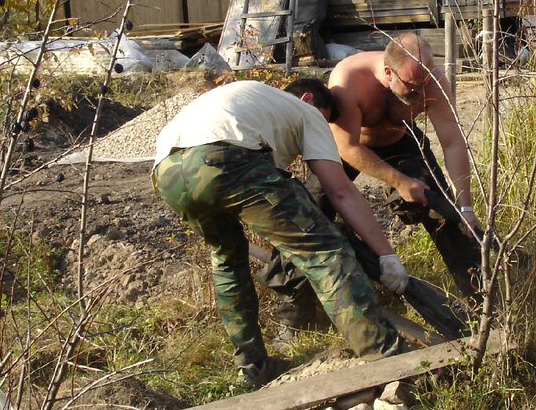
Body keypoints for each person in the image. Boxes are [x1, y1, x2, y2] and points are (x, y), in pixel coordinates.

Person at [152, 77, 412, 388]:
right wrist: (386, 255)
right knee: (326, 253)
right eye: (329, 119)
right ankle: (386, 360)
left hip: (167, 171)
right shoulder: (309, 112)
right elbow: (340, 191)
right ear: (309, 100)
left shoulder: (252, 96)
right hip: (226, 159)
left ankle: (252, 368)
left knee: (227, 260)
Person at [326, 33, 482, 301]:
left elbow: (453, 143)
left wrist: (464, 207)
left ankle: (480, 300)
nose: (421, 92)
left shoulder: (431, 83)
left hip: (400, 140)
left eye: (425, 82)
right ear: (389, 72)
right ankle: (296, 311)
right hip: (348, 145)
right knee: (312, 210)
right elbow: (348, 147)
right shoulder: (349, 79)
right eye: (412, 86)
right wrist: (400, 182)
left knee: (447, 215)